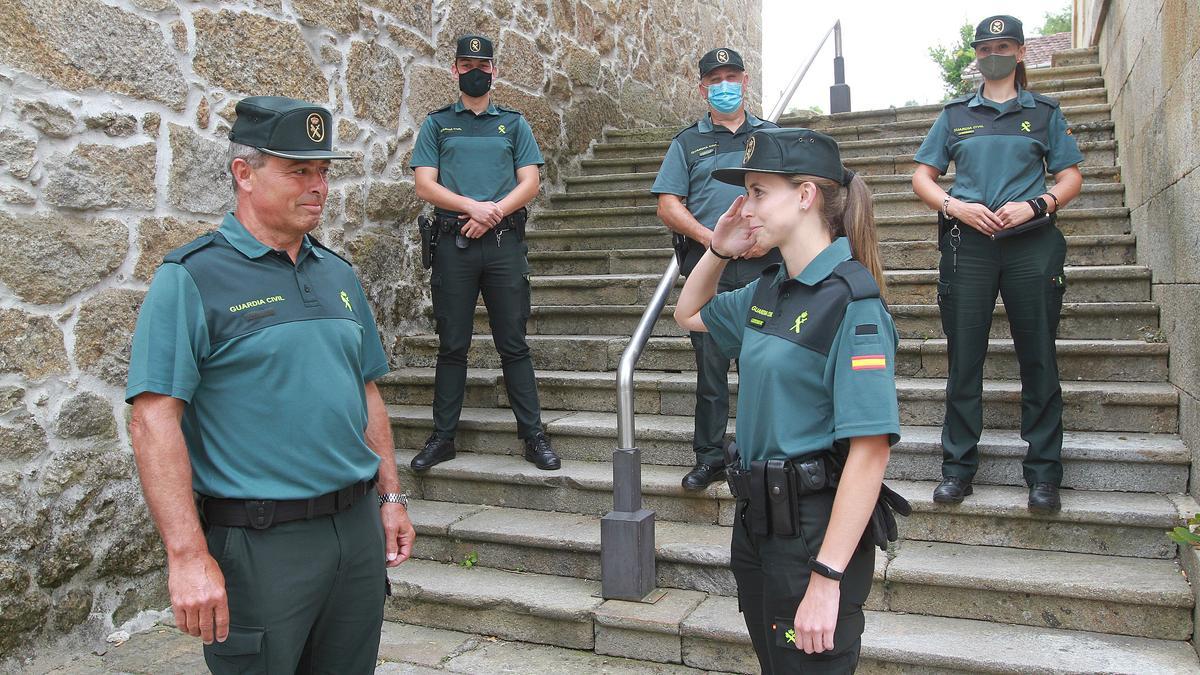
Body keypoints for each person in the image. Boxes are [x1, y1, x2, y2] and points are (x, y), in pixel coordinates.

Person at [126, 96, 416, 673]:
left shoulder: (336, 273)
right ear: (244, 174)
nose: (318, 187)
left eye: (324, 172)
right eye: (298, 171)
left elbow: (365, 392)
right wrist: (186, 555)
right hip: (261, 545)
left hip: (355, 535)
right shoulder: (191, 277)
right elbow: (153, 419)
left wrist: (390, 497)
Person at [675, 127, 901, 673]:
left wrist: (827, 579)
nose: (744, 207)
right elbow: (688, 314)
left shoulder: (852, 304)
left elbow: (870, 453)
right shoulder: (768, 287)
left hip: (812, 533)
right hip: (758, 523)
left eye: (757, 192)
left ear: (805, 196)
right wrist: (717, 249)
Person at [911, 14, 1084, 513]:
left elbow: (1069, 177)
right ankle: (957, 470)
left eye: (1004, 46)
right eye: (985, 48)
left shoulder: (1046, 114)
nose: (994, 54)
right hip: (971, 245)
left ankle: (1044, 475)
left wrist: (1037, 205)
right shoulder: (954, 115)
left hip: (1032, 243)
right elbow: (923, 177)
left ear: (1022, 53)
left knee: (1039, 357)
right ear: (976, 56)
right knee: (965, 359)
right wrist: (954, 205)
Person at [409, 33, 560, 472]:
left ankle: (533, 436)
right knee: (452, 345)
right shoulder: (437, 124)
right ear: (454, 69)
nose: (476, 71)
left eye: (483, 65)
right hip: (453, 245)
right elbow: (425, 184)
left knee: (513, 344)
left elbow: (529, 184)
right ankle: (442, 437)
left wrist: (490, 214)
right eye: (466, 64)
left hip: (502, 245)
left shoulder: (513, 124)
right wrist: (471, 207)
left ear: (495, 70)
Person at [651, 47, 782, 491]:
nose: (723, 85)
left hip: (767, 266)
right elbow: (669, 205)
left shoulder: (772, 135)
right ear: (702, 87)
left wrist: (763, 237)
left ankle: (758, 453)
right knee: (710, 367)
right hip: (712, 268)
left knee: (762, 362)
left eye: (731, 77)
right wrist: (714, 243)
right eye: (714, 79)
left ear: (745, 81)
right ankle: (709, 457)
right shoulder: (686, 142)